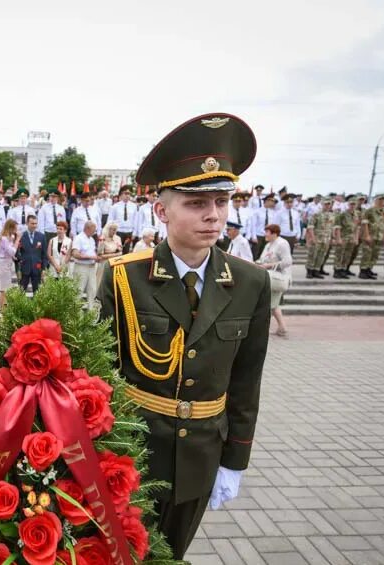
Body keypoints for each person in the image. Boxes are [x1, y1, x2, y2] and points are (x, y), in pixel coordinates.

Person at [98, 113, 270, 559]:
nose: (213, 216)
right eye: (196, 203)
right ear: (162, 210)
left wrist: (235, 459)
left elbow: (247, 379)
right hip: (134, 453)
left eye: (221, 201)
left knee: (173, 552)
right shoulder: (124, 278)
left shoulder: (250, 282)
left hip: (202, 453)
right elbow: (101, 375)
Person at [256, 224, 292, 337]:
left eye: (267, 232)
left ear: (274, 233)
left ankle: (260, 328)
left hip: (280, 277)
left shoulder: (282, 244)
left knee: (264, 301)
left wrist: (269, 266)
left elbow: (288, 262)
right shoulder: (268, 245)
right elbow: (262, 260)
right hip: (271, 277)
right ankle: (282, 328)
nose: (265, 234)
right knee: (273, 303)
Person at [358, 194, 384, 279]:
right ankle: (363, 271)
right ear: (375, 200)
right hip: (371, 235)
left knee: (375, 254)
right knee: (367, 253)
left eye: (383, 200)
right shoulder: (369, 210)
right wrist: (367, 235)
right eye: (380, 200)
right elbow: (364, 223)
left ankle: (369, 269)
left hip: (379, 236)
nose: (381, 201)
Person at [71, 220, 99, 309]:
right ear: (88, 228)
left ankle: (90, 313)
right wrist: (90, 257)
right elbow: (75, 254)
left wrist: (97, 257)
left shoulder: (92, 239)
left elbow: (93, 253)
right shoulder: (78, 238)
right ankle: (76, 314)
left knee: (92, 290)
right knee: (79, 290)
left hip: (91, 267)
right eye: (93, 230)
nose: (94, 232)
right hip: (81, 267)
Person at [305, 198, 334, 279]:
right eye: (326, 204)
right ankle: (309, 271)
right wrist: (312, 238)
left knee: (321, 255)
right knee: (312, 255)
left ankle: (316, 270)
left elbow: (331, 228)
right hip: (317, 237)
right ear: (322, 204)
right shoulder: (316, 214)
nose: (327, 206)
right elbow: (310, 227)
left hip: (326, 239)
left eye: (329, 204)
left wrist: (332, 238)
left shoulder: (332, 215)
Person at [17, 214, 46, 293]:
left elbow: (44, 254)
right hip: (24, 268)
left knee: (37, 292)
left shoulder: (41, 236)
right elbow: (17, 253)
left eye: (35, 223)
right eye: (32, 223)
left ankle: (36, 306)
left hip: (37, 268)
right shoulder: (21, 236)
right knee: (21, 292)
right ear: (27, 223)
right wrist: (18, 268)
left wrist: (43, 269)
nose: (34, 226)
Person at [331, 198, 360, 279]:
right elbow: (337, 227)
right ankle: (337, 271)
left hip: (351, 238)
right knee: (339, 255)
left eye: (354, 204)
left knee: (347, 255)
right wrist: (338, 238)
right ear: (348, 204)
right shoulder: (342, 214)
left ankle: (343, 270)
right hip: (343, 237)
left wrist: (356, 238)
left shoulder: (356, 214)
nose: (353, 206)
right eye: (351, 204)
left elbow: (357, 227)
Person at [0, 218, 20, 308]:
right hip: (3, 264)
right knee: (3, 289)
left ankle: (4, 308)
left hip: (8, 263)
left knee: (6, 289)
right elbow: (12, 251)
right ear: (10, 228)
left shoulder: (9, 238)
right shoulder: (3, 239)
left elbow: (10, 254)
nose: (16, 231)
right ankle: (3, 309)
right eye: (15, 229)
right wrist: (18, 239)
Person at [111, 185, 138, 254]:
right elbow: (110, 220)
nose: (127, 195)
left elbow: (136, 220)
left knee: (126, 252)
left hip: (129, 232)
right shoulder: (115, 206)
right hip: (118, 232)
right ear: (121, 195)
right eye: (125, 193)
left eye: (129, 194)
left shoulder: (134, 206)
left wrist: (134, 233)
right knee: (117, 251)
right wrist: (111, 232)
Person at [96, 221, 123, 286]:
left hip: (115, 262)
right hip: (105, 263)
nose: (114, 232)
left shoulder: (117, 238)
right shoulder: (102, 239)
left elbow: (121, 251)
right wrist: (115, 255)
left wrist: (117, 254)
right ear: (108, 229)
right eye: (113, 230)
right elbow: (100, 255)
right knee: (101, 281)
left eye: (115, 230)